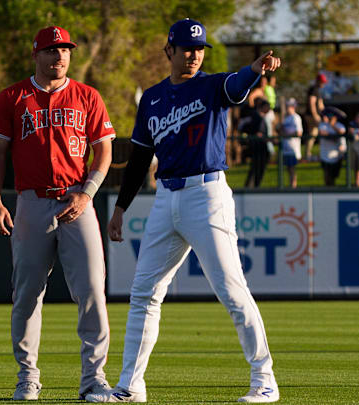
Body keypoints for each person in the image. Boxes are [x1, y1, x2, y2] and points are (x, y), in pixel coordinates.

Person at [91, 18, 281, 403]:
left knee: (231, 289)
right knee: (144, 292)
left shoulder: (211, 86)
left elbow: (235, 85)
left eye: (199, 49)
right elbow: (142, 156)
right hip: (166, 198)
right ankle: (130, 386)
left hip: (206, 194)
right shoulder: (153, 98)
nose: (194, 55)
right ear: (170, 51)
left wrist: (254, 71)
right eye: (187, 48)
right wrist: (121, 209)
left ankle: (264, 379)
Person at [0, 26, 115, 401]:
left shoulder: (87, 96)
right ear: (35, 55)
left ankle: (93, 379)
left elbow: (104, 153)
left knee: (92, 290)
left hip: (78, 201)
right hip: (32, 202)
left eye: (65, 50)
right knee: (27, 293)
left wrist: (87, 194)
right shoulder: (12, 97)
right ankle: (27, 375)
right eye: (51, 50)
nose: (59, 57)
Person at [244, 99, 272, 188]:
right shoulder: (256, 117)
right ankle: (253, 186)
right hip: (258, 146)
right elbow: (255, 131)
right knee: (256, 168)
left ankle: (254, 185)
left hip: (262, 146)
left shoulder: (263, 117)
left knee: (258, 168)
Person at [318, 108, 347, 186]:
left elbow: (341, 132)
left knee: (334, 176)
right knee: (327, 175)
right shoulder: (322, 125)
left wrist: (333, 126)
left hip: (336, 156)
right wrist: (334, 136)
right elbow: (323, 133)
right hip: (325, 156)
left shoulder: (340, 126)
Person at [279, 98, 303, 187]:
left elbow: (299, 132)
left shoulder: (296, 118)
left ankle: (293, 186)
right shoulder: (286, 118)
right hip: (286, 148)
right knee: (288, 169)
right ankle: (291, 185)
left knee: (292, 169)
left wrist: (286, 134)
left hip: (293, 148)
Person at [303, 73, 327, 161]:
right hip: (311, 115)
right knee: (313, 134)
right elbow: (312, 103)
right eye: (322, 82)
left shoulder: (318, 90)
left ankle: (311, 154)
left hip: (315, 115)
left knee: (315, 134)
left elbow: (320, 105)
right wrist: (315, 115)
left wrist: (325, 114)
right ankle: (307, 155)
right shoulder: (314, 89)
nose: (323, 84)